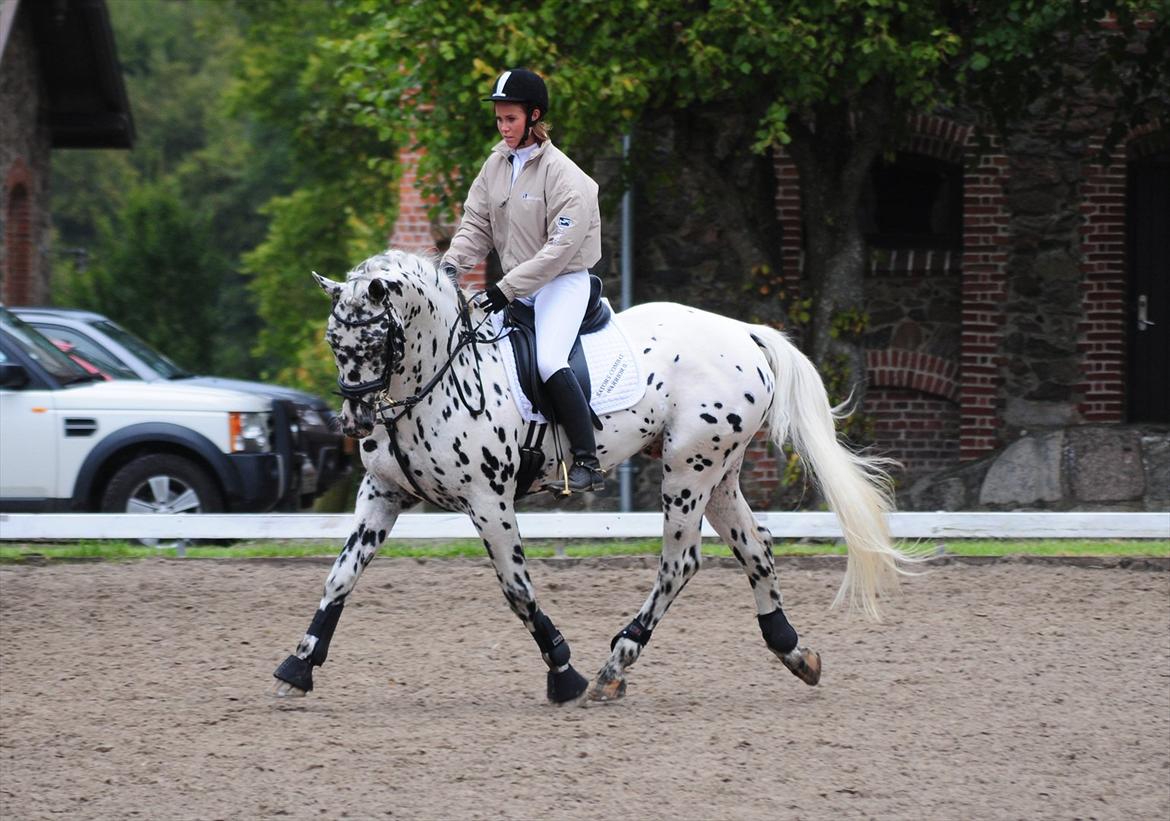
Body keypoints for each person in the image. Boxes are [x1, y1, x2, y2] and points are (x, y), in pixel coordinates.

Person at [439, 68, 605, 494]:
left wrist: (504, 289)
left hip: (562, 283)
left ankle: (588, 461)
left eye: (510, 119)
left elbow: (557, 253)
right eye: (498, 119)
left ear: (533, 116)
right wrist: (449, 270)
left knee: (549, 359)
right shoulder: (495, 165)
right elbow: (475, 226)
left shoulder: (568, 178)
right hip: (516, 285)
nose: (503, 127)